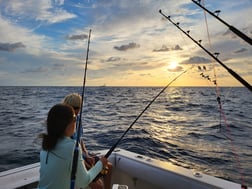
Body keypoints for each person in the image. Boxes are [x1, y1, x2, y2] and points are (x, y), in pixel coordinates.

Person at [38, 104, 108, 189]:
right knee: (100, 186)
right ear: (65, 124)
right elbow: (84, 182)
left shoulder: (46, 144)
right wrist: (101, 164)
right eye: (74, 119)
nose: (76, 121)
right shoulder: (72, 146)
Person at [63, 93, 112, 189]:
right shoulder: (64, 125)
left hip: (81, 157)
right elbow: (72, 155)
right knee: (98, 186)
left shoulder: (78, 120)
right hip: (74, 162)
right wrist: (90, 167)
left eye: (78, 107)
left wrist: (87, 155)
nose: (77, 110)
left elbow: (80, 141)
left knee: (109, 167)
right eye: (74, 107)